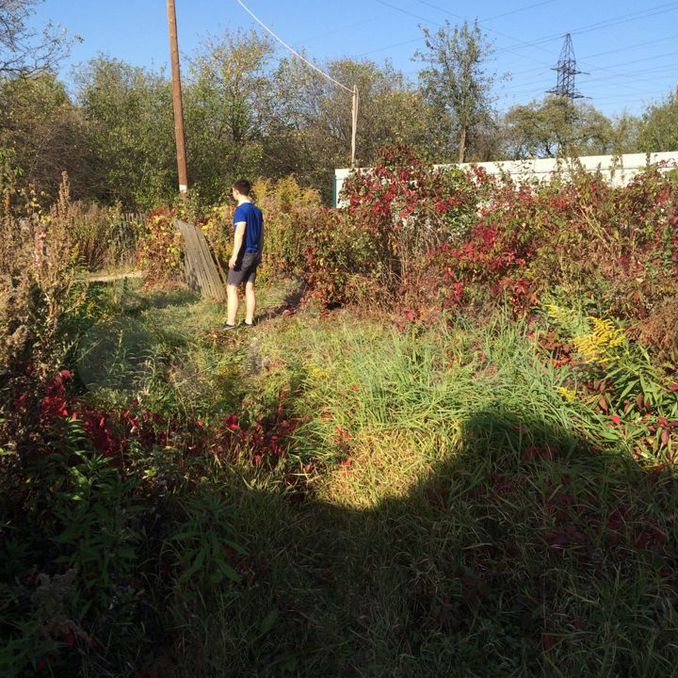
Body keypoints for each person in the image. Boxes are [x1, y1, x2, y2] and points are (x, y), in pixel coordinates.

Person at [224, 179, 264, 330]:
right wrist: (260, 252)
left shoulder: (241, 211)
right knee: (249, 287)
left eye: (232, 191)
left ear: (236, 192)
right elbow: (262, 235)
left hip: (244, 254)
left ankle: (230, 323)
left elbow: (239, 234)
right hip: (255, 253)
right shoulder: (257, 211)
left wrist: (234, 256)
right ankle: (249, 322)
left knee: (232, 287)